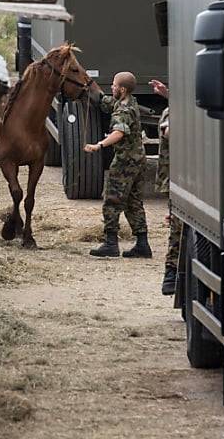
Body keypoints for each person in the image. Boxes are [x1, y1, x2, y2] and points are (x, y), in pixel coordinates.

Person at [85, 72, 150, 258]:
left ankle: (110, 243)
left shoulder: (122, 110)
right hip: (139, 159)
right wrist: (90, 86)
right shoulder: (131, 102)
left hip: (124, 162)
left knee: (112, 201)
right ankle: (142, 244)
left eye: (114, 85)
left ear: (122, 89)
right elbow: (105, 102)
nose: (111, 87)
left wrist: (99, 145)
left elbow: (119, 133)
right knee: (134, 202)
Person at [150, 80, 182, 295]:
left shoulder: (177, 111)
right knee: (176, 228)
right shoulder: (173, 111)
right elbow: (167, 132)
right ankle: (171, 273)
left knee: (177, 228)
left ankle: (172, 273)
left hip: (180, 180)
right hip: (175, 179)